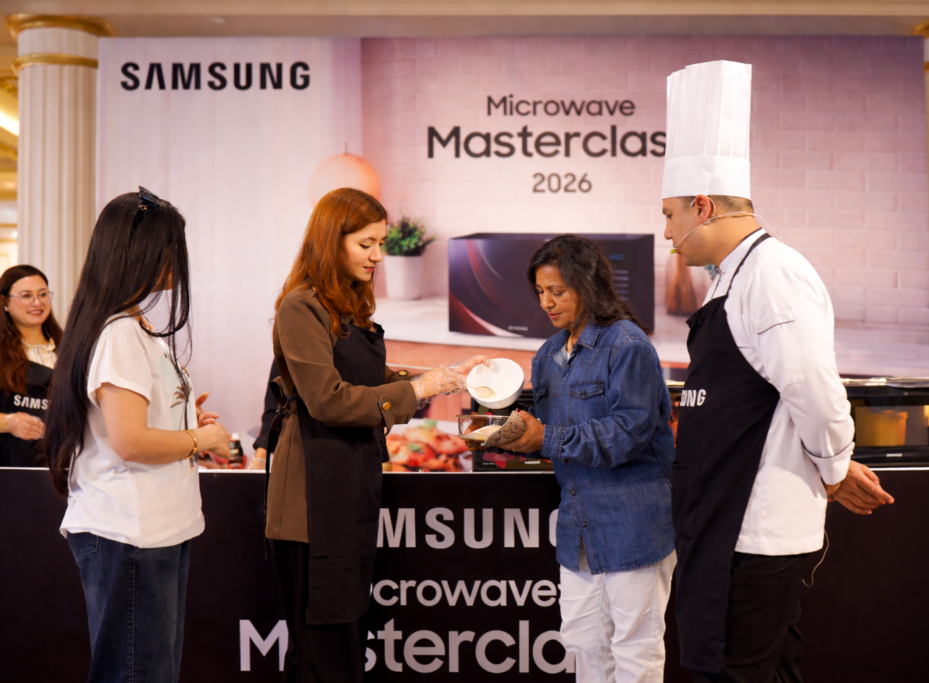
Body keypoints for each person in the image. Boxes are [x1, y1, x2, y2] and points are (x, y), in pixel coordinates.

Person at [660, 61, 894, 683]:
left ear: (703, 206)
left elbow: (813, 389)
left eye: (671, 215)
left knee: (736, 673)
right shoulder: (731, 279)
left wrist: (836, 469)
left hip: (753, 530)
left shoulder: (773, 274)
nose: (668, 233)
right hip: (726, 523)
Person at [265, 187, 486, 682]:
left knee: (344, 649)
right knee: (323, 657)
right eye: (366, 244)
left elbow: (368, 381)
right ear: (331, 240)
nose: (377, 256)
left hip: (349, 494)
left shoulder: (346, 307)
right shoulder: (301, 307)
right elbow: (328, 399)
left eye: (380, 243)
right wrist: (422, 388)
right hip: (312, 507)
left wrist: (443, 378)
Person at [44, 188, 231, 683]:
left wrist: (182, 418)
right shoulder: (120, 332)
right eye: (171, 248)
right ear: (140, 251)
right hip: (130, 532)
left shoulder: (129, 326)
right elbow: (129, 442)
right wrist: (204, 441)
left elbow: (130, 426)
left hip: (150, 529)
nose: (178, 260)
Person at [503, 235, 677, 683]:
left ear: (588, 284)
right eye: (540, 292)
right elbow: (551, 434)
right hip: (577, 527)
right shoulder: (547, 355)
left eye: (557, 291)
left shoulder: (628, 345)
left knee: (636, 651)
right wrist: (510, 433)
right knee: (582, 645)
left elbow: (626, 435)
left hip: (635, 525)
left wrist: (545, 437)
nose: (546, 302)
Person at [0, 265, 61, 466]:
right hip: (9, 467)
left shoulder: (68, 349)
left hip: (59, 464)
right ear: (5, 303)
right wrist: (9, 423)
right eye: (26, 296)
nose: (38, 302)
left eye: (43, 294)